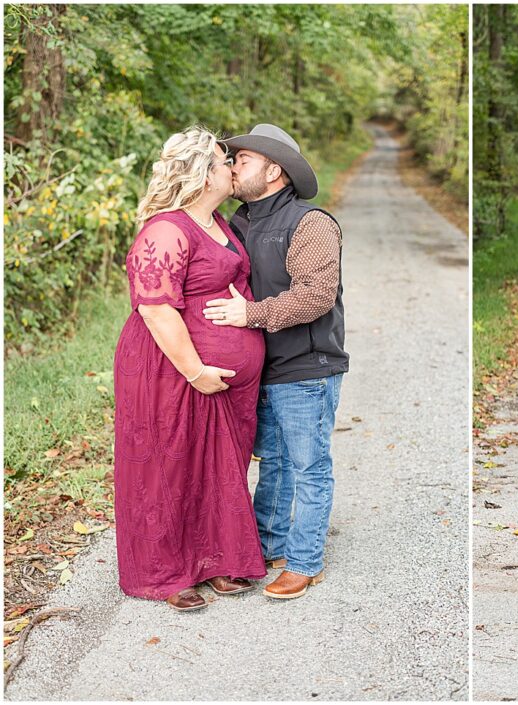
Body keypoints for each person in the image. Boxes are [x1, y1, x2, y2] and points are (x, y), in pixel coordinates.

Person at [113, 127, 267, 611]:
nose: (232, 169)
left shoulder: (219, 222)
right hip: (171, 369)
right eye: (226, 162)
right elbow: (156, 310)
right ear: (203, 174)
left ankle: (216, 561)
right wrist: (196, 370)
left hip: (222, 375)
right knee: (169, 464)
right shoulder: (166, 230)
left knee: (217, 465)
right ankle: (165, 573)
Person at [202, 124, 346, 600]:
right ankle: (268, 547)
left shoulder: (312, 223)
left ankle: (305, 562)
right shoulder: (235, 224)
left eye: (242, 159)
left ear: (273, 170)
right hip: (260, 367)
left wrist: (251, 314)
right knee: (275, 463)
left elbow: (316, 297)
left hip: (307, 365)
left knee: (308, 465)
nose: (233, 166)